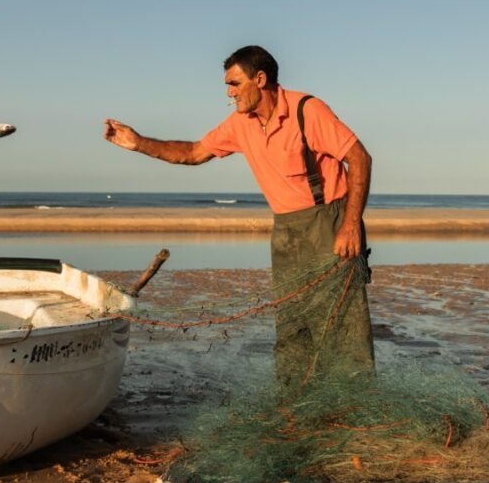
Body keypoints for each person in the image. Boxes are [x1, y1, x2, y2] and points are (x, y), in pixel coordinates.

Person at [103, 45, 375, 388]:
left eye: (234, 84)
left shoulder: (308, 110)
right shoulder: (240, 124)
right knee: (293, 324)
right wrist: (138, 143)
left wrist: (351, 225)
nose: (229, 93)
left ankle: (356, 406)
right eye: (227, 86)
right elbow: (192, 153)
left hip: (331, 222)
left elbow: (360, 158)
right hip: (287, 231)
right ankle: (296, 407)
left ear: (260, 79)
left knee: (342, 323)